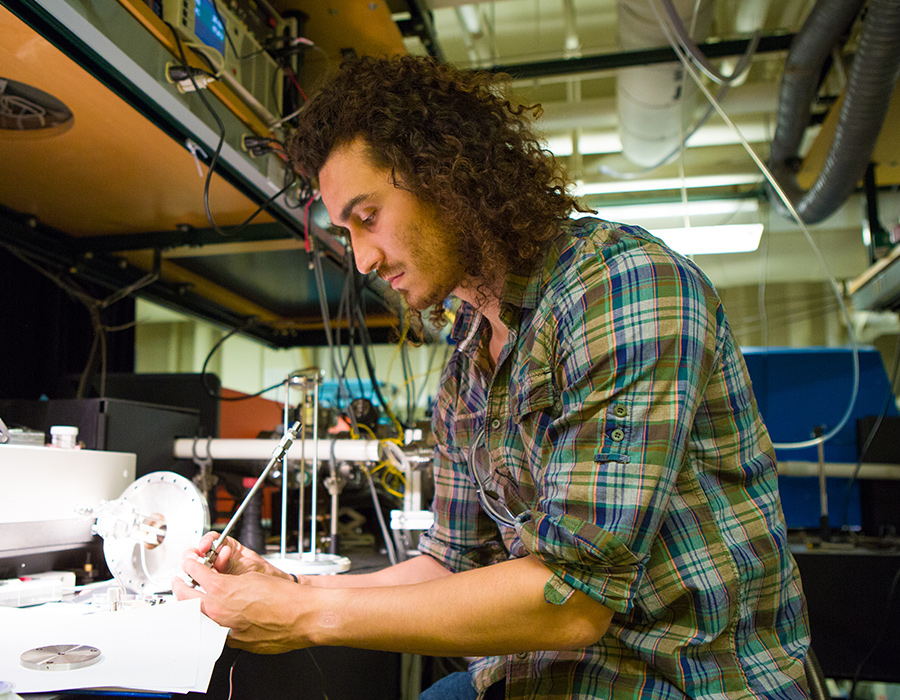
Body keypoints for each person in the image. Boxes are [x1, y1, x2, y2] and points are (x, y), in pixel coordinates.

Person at [174, 55, 811, 699]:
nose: (362, 258)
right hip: (546, 675)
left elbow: (573, 600)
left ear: (445, 176)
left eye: (368, 217)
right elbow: (448, 563)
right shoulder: (468, 359)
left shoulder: (623, 289)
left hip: (686, 681)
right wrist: (291, 589)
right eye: (346, 231)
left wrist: (305, 618)